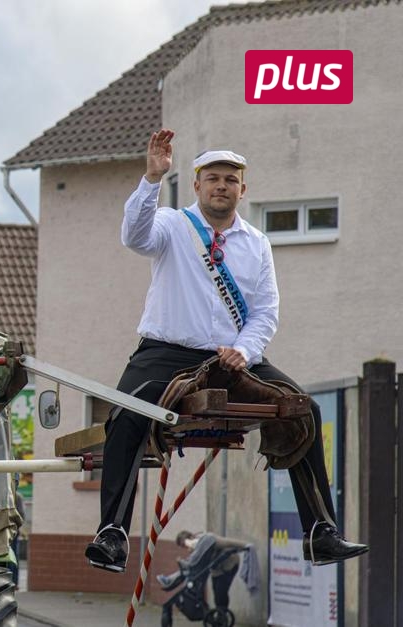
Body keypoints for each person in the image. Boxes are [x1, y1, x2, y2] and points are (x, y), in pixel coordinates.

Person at [84, 129, 369, 573]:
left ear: (243, 189)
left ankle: (320, 531)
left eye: (230, 180)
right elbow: (134, 237)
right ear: (197, 185)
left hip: (236, 357)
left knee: (304, 409)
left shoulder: (257, 242)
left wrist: (244, 348)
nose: (222, 186)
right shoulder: (173, 225)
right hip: (168, 350)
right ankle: (113, 532)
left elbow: (266, 311)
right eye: (213, 178)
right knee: (126, 412)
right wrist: (151, 179)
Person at [158, 531, 251, 626]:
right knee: (217, 592)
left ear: (190, 538)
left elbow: (227, 542)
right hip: (216, 569)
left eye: (184, 545)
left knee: (221, 591)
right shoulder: (197, 547)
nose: (185, 548)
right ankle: (221, 615)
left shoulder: (208, 540)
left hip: (229, 565)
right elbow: (196, 561)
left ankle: (222, 616)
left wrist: (245, 545)